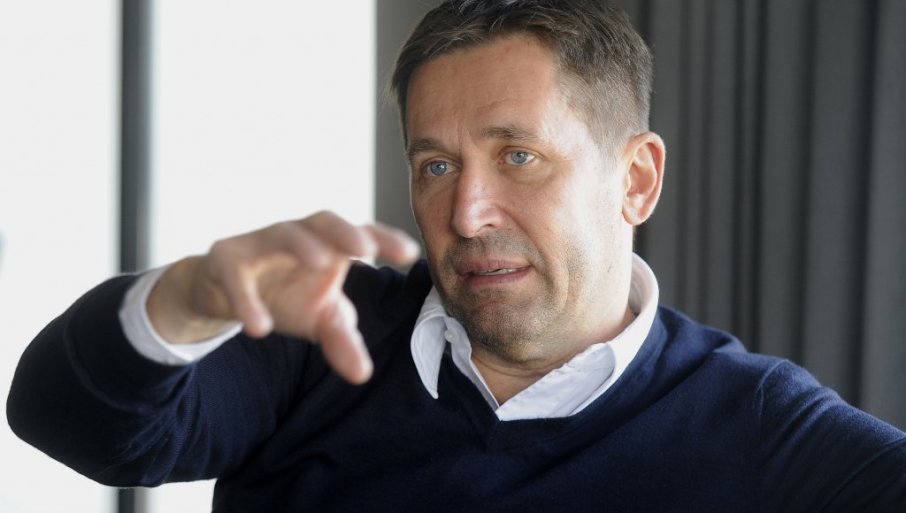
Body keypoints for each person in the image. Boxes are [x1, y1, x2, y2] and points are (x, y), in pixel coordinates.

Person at [8, 0, 905, 511]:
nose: (466, 214)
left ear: (635, 180)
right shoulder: (324, 336)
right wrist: (192, 296)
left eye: (519, 156)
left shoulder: (761, 425)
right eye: (436, 165)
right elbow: (65, 418)